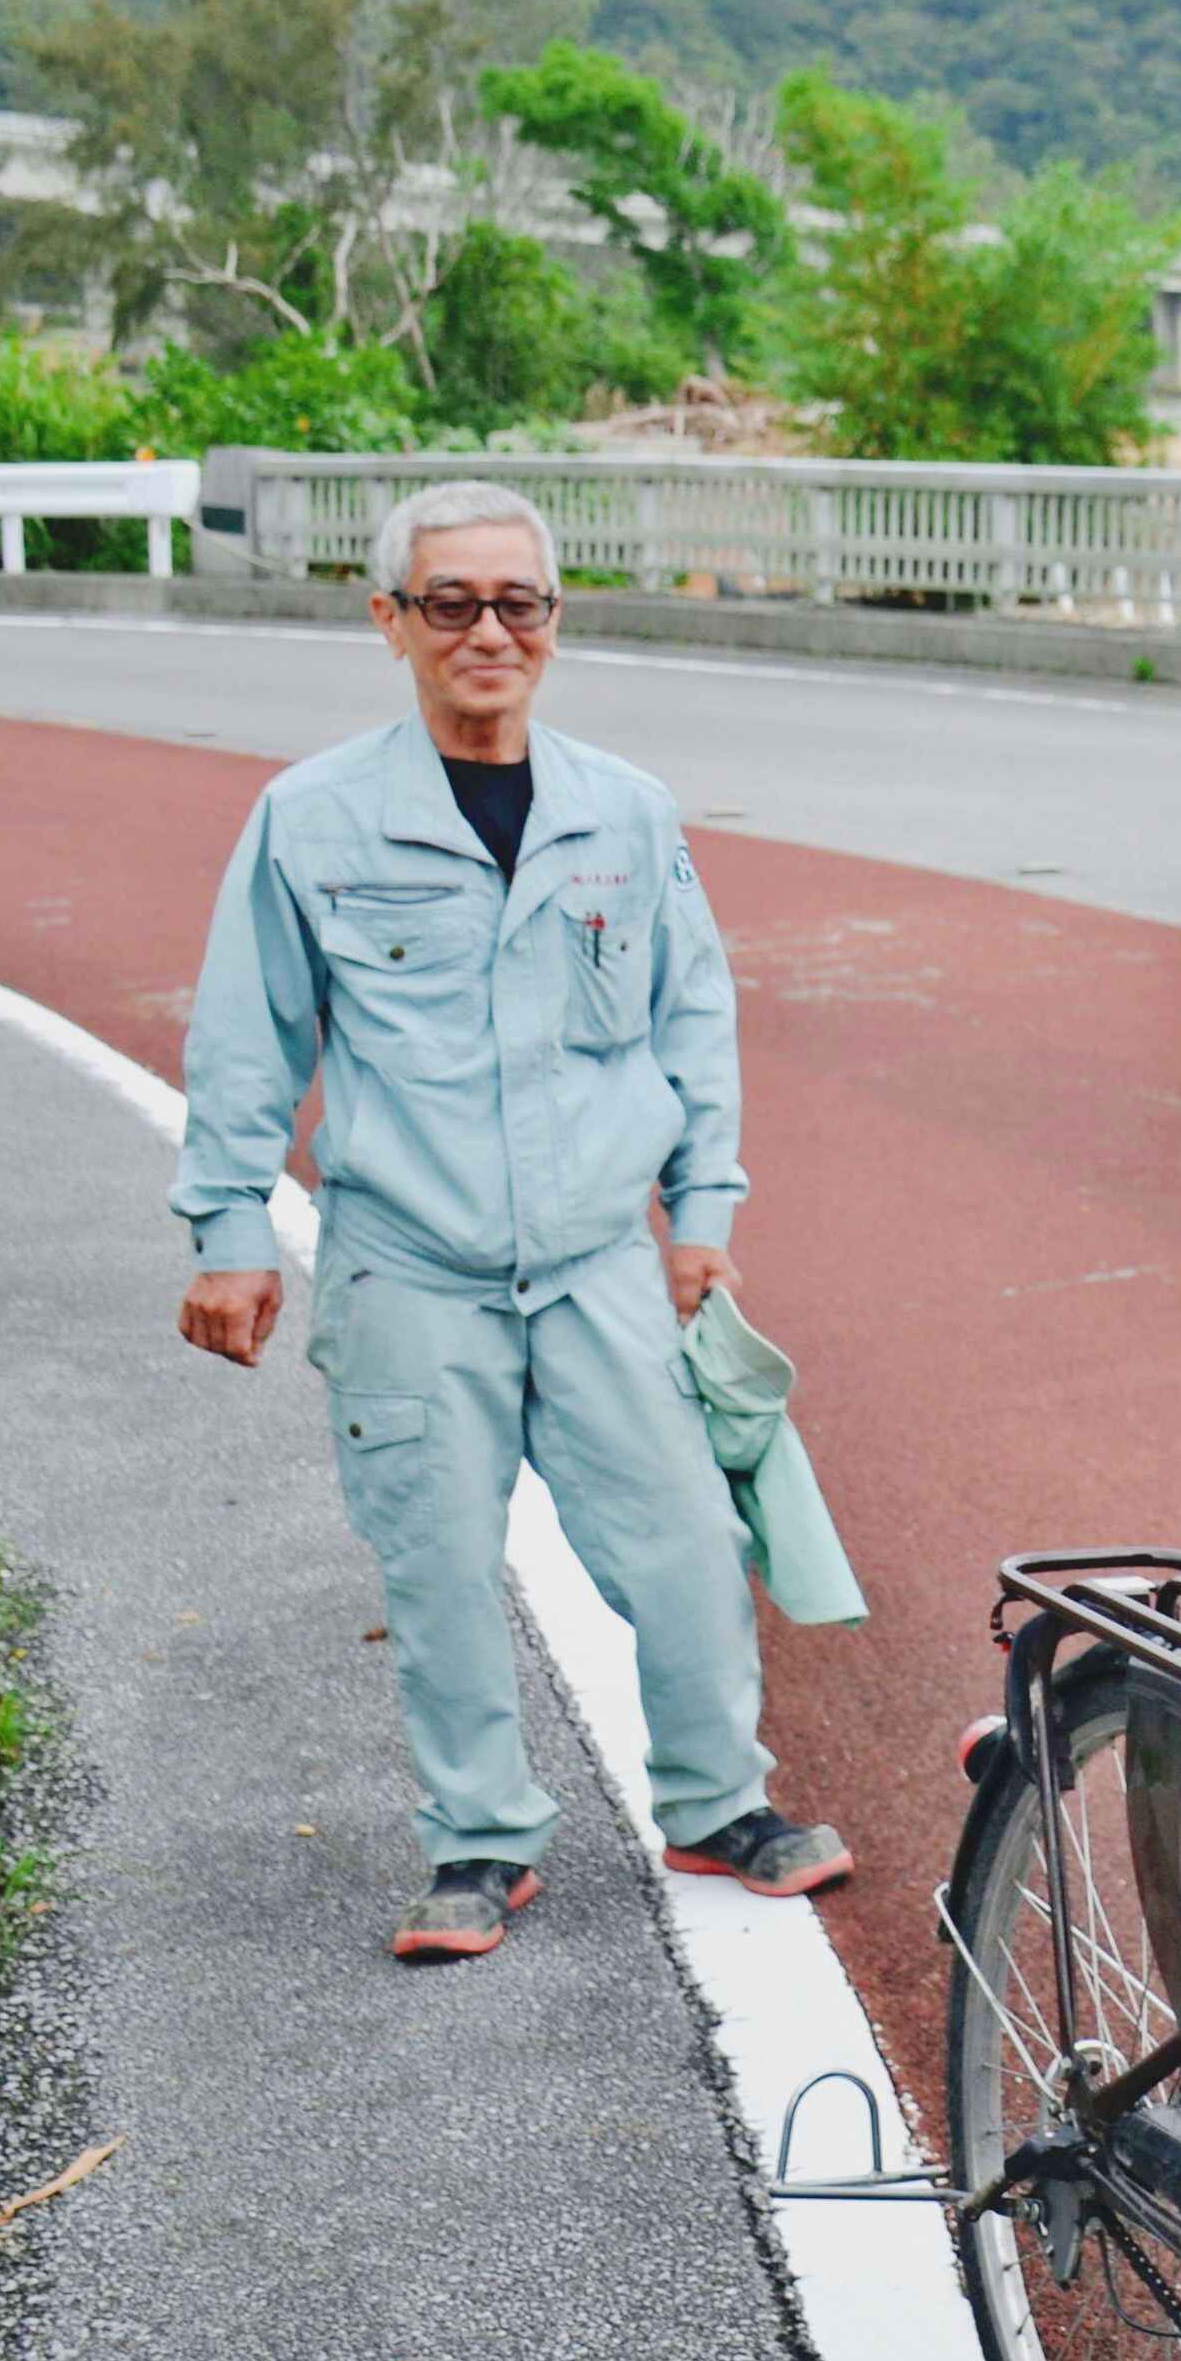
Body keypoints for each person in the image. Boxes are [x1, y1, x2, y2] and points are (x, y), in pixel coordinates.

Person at [171, 479, 850, 1964]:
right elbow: (247, 1038)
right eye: (451, 603)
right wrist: (228, 1226)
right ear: (392, 623)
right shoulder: (314, 819)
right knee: (436, 1565)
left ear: (554, 621)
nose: (488, 630)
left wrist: (704, 1213)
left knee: (681, 1540)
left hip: (604, 1260)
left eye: (516, 603)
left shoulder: (625, 812)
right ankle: (479, 1845)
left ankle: (720, 1803)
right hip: (411, 1267)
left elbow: (694, 1019)